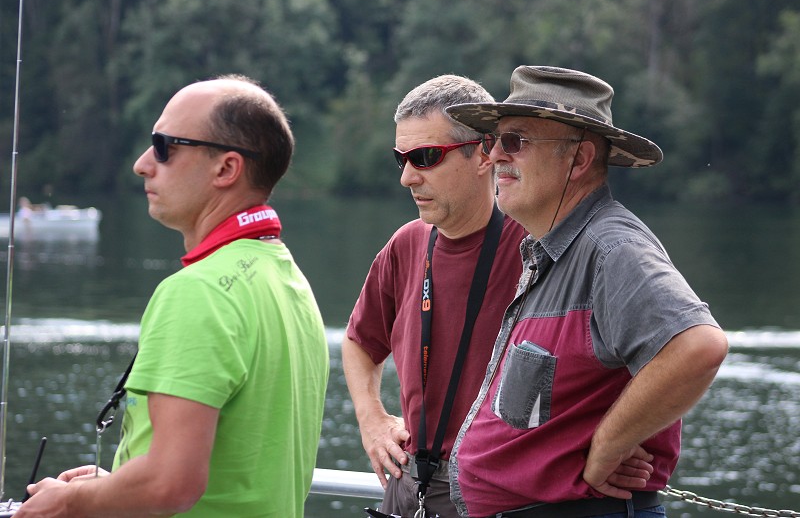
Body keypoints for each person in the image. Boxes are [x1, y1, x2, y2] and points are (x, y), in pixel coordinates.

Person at [19, 74, 330, 517]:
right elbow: (230, 472)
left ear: (226, 169)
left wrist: (70, 500)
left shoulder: (199, 291)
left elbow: (172, 483)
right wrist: (119, 486)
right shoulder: (286, 277)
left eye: (165, 147)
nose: (142, 164)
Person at [443, 65, 729, 518]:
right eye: (492, 140)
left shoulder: (611, 248)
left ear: (578, 160)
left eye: (514, 141)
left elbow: (698, 347)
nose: (494, 155)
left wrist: (606, 449)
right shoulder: (554, 248)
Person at [343, 74, 528, 518]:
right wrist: (372, 420)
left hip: (497, 494)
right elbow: (359, 343)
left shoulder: (534, 247)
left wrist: (613, 442)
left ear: (484, 153)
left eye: (425, 157)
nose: (407, 177)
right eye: (401, 159)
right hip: (409, 485)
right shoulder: (407, 244)